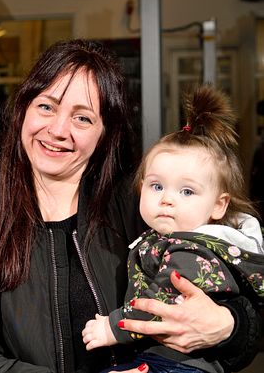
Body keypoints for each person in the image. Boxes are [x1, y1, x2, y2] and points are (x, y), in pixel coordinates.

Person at [0, 40, 262, 373]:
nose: (58, 131)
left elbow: (243, 298)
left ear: (105, 134)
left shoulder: (148, 207)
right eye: (46, 107)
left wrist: (228, 325)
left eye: (82, 118)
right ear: (23, 110)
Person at [82, 85, 264, 373]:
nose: (167, 198)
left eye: (187, 192)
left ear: (219, 206)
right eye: (156, 186)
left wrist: (111, 328)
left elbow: (160, 303)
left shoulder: (192, 250)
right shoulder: (164, 238)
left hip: (181, 364)